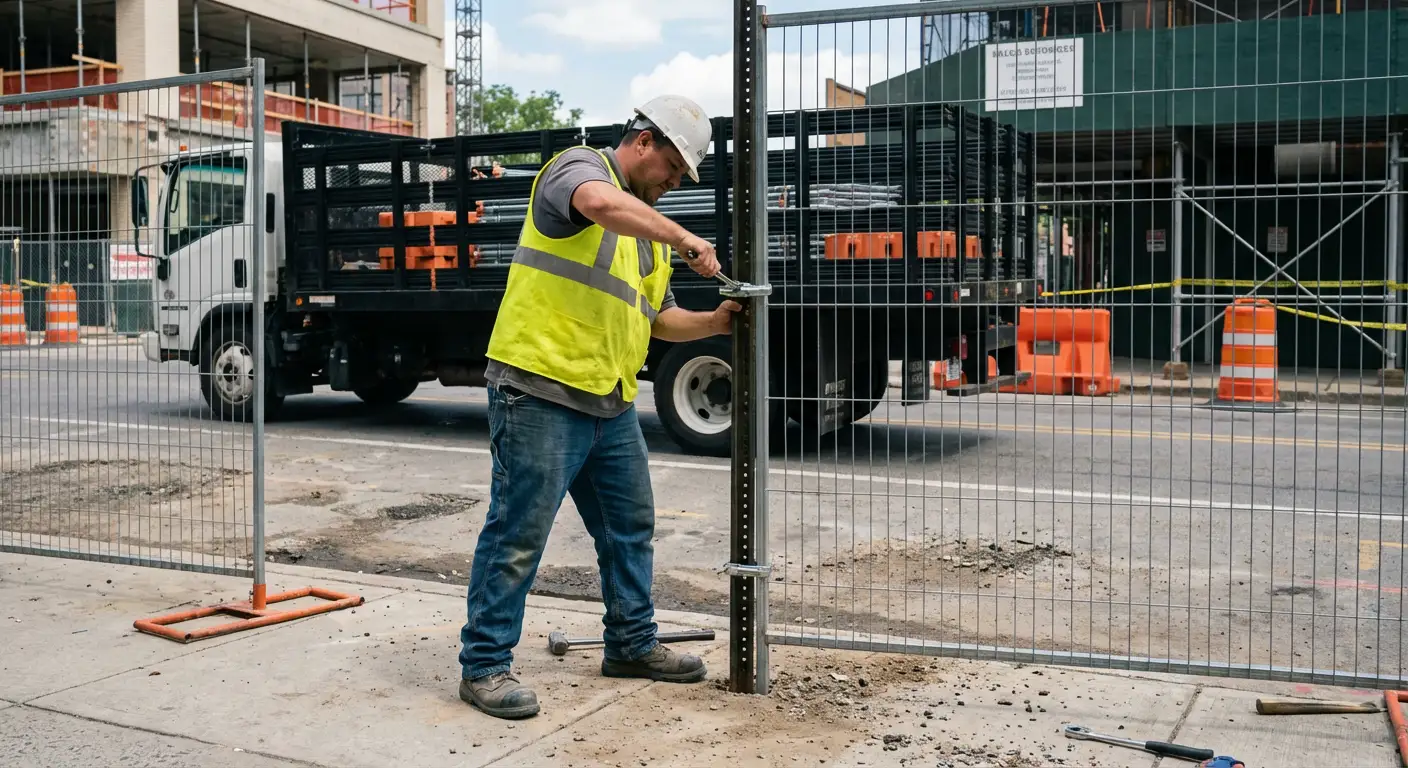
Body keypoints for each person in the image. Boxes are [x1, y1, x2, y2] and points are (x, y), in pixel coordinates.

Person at [457, 94, 739, 719]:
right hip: (539, 391)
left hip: (608, 401)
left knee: (629, 529)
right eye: (672, 168)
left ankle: (632, 644)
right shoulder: (577, 169)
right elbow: (599, 205)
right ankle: (483, 666)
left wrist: (714, 322)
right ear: (643, 142)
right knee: (519, 533)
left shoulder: (648, 238)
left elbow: (658, 320)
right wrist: (688, 238)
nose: (674, 182)